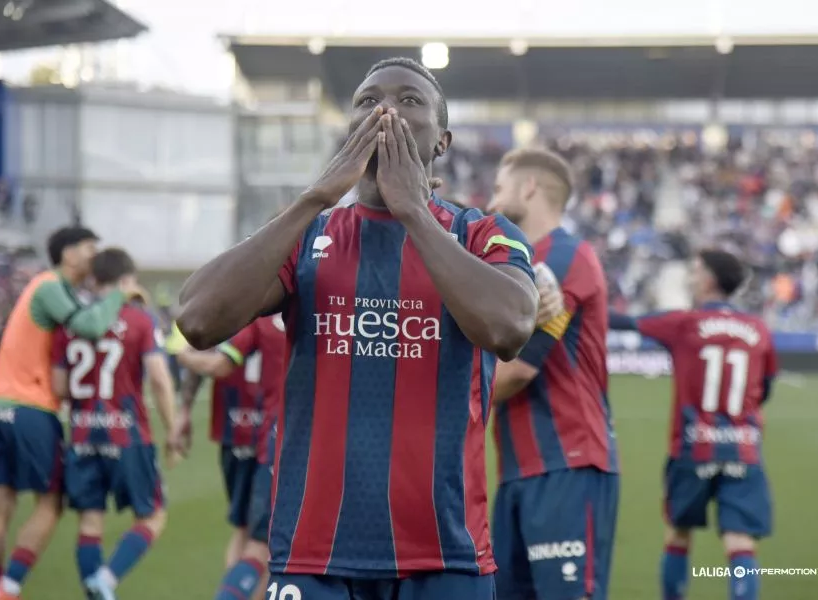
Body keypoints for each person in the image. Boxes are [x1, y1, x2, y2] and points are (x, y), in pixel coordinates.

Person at [176, 57, 561, 600]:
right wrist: (315, 196)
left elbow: (508, 328)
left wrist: (415, 213)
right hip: (314, 554)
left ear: (442, 141)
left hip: (444, 555)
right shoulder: (309, 235)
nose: (384, 110)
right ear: (348, 130)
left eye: (409, 101)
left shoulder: (482, 233)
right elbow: (196, 319)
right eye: (367, 101)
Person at [0, 226, 142, 600]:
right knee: (51, 503)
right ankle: (10, 585)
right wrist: (119, 294)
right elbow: (90, 325)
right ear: (67, 253)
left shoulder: (50, 289)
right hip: (30, 407)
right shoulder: (50, 286)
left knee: (0, 506)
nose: (93, 254)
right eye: (88, 247)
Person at [487, 148, 619, 600]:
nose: (490, 203)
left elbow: (517, 370)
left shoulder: (560, 258)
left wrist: (436, 396)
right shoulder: (520, 262)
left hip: (566, 462)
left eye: (499, 189)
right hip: (519, 469)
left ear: (529, 188)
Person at [609, 249, 777, 600]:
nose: (690, 275)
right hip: (743, 448)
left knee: (679, 534)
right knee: (740, 542)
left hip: (692, 447)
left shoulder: (685, 322)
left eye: (695, 269)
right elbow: (766, 387)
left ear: (709, 279)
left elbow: (624, 323)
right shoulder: (759, 329)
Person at [51, 248, 181, 600]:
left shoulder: (72, 323)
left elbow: (60, 387)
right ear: (126, 280)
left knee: (90, 523)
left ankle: (96, 587)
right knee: (153, 517)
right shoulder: (139, 319)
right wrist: (172, 427)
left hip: (81, 435)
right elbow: (158, 378)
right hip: (126, 433)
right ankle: (106, 580)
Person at [178, 313, 286, 600]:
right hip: (277, 437)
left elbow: (218, 363)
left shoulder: (244, 313)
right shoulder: (307, 311)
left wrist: (183, 355)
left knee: (246, 533)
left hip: (243, 431)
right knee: (264, 541)